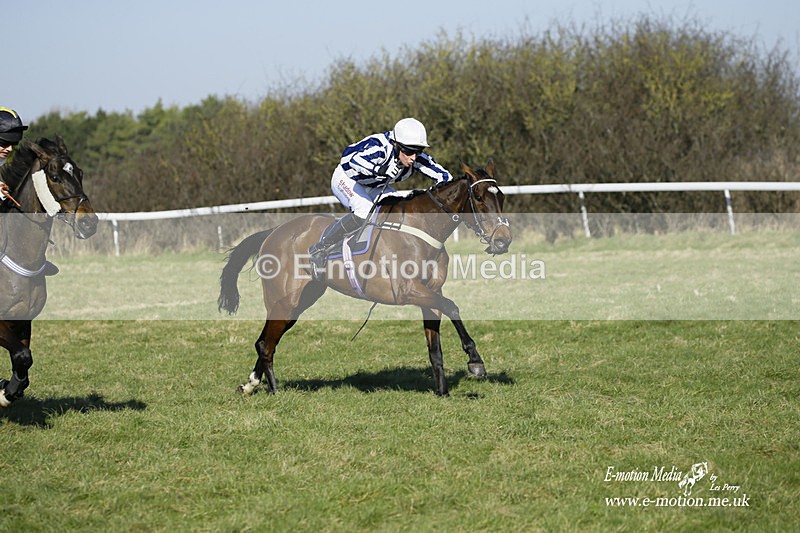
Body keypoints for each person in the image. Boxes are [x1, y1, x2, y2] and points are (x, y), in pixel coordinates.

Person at [309, 117, 452, 274]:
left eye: (418, 152)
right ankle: (320, 247)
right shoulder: (379, 147)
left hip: (373, 185)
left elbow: (445, 177)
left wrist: (437, 191)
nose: (413, 158)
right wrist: (379, 169)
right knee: (364, 211)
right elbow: (350, 160)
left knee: (399, 211)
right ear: (396, 145)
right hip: (347, 178)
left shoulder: (415, 157)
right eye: (409, 151)